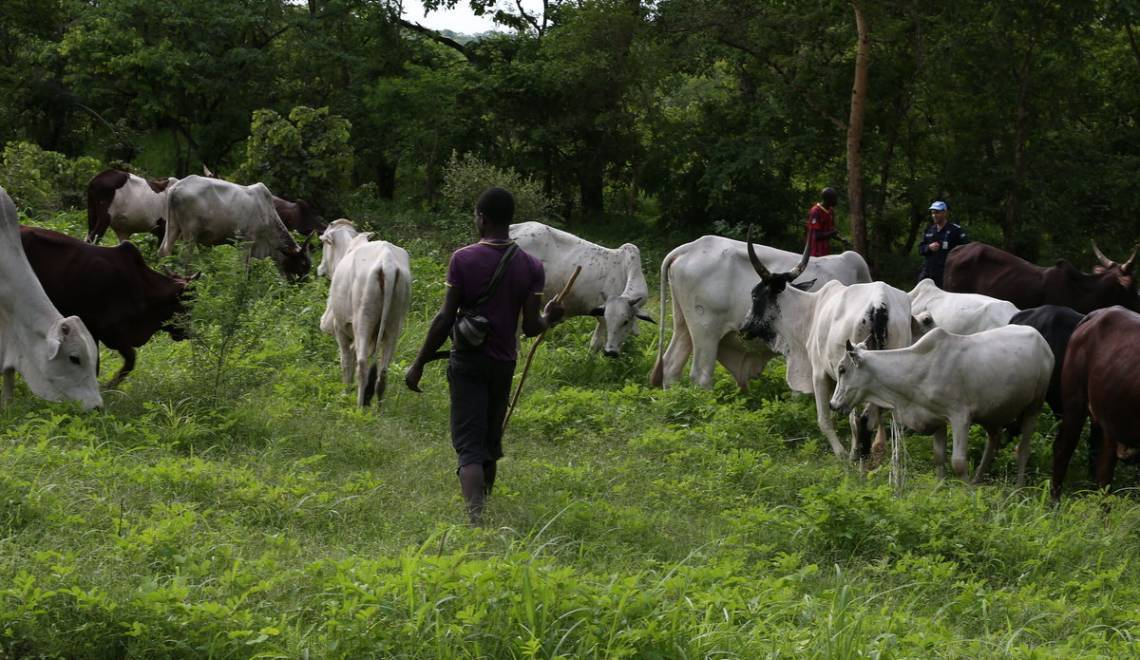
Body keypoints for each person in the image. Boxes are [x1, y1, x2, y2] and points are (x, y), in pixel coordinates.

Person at [405, 187, 564, 525]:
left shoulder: (463, 259)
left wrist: (418, 363)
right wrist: (551, 316)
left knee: (469, 445)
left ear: (483, 218)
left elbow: (444, 318)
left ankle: (475, 520)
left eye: (475, 215)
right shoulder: (531, 266)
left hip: (467, 362)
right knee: (490, 439)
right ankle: (483, 506)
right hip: (503, 363)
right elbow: (533, 327)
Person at [918, 200, 968, 288]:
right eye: (932, 213)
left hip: (946, 274)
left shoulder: (955, 230)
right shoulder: (929, 230)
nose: (934, 215)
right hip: (928, 272)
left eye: (937, 213)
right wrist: (929, 247)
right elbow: (921, 249)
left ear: (945, 213)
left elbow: (966, 250)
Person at [806, 187, 847, 256]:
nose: (836, 200)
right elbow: (817, 236)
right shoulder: (815, 211)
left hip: (825, 251)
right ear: (828, 199)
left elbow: (830, 231)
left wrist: (841, 239)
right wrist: (832, 233)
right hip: (816, 252)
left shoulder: (830, 211)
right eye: (834, 198)